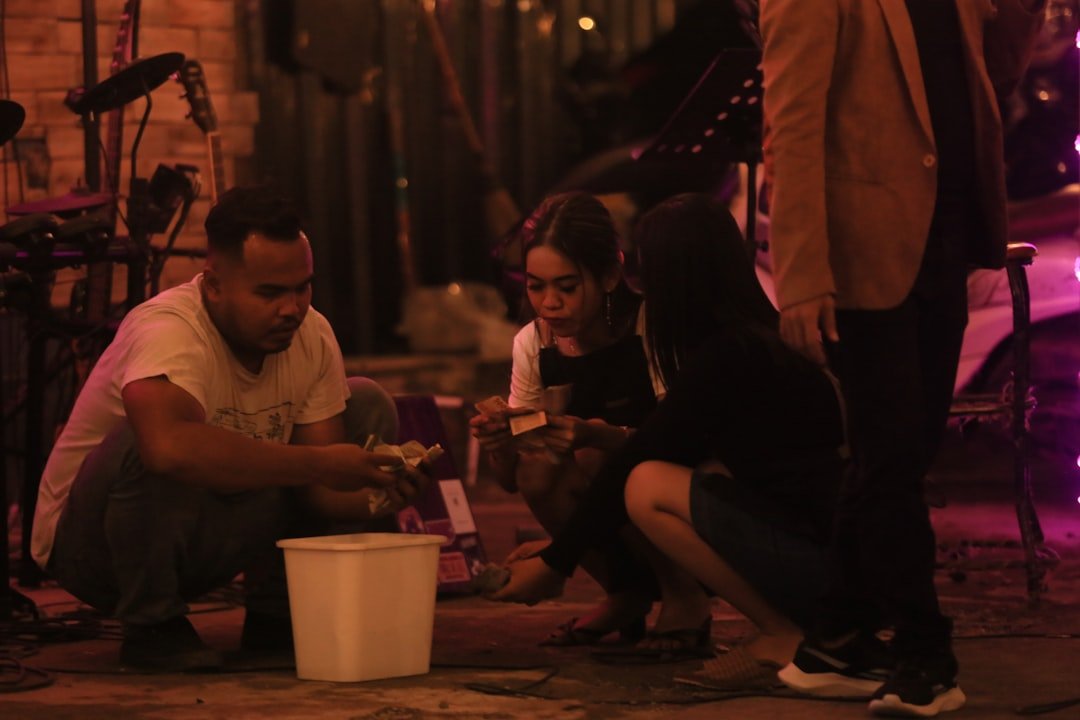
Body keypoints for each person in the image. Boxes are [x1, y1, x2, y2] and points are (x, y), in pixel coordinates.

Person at [759, 1, 1046, 715]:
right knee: (890, 458)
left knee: (904, 453)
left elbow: (997, 76)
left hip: (943, 242)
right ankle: (925, 653)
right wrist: (802, 278)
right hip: (860, 259)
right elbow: (790, 130)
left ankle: (836, 638)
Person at [31, 185, 429, 671]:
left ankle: (279, 614)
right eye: (269, 293)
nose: (292, 309)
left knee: (365, 400)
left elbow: (318, 494)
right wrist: (323, 463)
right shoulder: (169, 330)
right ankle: (151, 624)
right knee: (153, 435)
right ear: (214, 284)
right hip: (95, 552)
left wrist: (376, 491)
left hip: (203, 537)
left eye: (302, 287)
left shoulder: (312, 333)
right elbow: (167, 451)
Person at [487, 194, 846, 677]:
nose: (642, 282)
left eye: (649, 268)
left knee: (647, 483)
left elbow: (647, 451)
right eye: (536, 286)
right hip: (830, 555)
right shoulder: (752, 337)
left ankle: (778, 632)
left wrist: (556, 561)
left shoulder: (723, 355)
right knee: (636, 471)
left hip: (818, 564)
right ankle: (633, 597)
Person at [470, 192, 662, 646]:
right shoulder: (533, 344)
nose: (549, 303)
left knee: (594, 457)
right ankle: (624, 594)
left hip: (666, 491)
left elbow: (682, 437)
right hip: (602, 503)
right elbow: (512, 482)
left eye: (567, 287)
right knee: (538, 465)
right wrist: (500, 440)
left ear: (610, 275)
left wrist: (598, 434)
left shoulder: (647, 326)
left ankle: (681, 596)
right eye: (536, 286)